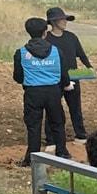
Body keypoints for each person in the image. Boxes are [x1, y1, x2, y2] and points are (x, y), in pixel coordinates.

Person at [13, 17, 68, 166]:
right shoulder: (56, 51)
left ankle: (32, 158)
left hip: (33, 93)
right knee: (57, 123)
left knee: (33, 126)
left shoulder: (21, 53)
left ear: (28, 32)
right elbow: (64, 74)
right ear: (45, 32)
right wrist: (67, 84)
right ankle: (62, 154)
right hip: (53, 92)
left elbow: (17, 77)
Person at [44, 6, 91, 145]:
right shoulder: (47, 39)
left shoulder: (71, 37)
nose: (65, 21)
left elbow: (81, 54)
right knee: (53, 108)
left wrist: (90, 67)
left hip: (73, 76)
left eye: (65, 19)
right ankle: (51, 139)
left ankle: (81, 135)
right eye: (61, 19)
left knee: (76, 107)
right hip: (55, 79)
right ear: (53, 22)